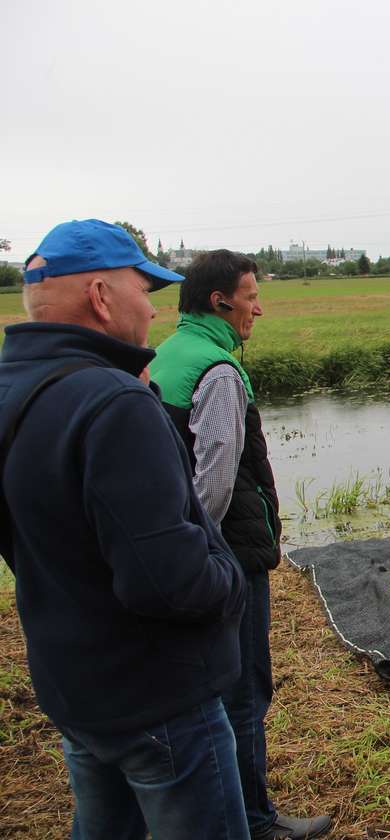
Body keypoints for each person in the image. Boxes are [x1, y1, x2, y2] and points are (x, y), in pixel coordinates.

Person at [0, 219, 249, 838]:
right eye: (146, 290)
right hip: (157, 694)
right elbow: (168, 582)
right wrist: (230, 580)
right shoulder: (113, 402)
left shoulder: (13, 386)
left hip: (73, 680)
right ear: (101, 297)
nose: (153, 310)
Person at [150, 250, 331, 840]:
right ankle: (254, 819)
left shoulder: (163, 356)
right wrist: (199, 553)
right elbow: (217, 477)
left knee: (200, 687)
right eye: (252, 296)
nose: (260, 308)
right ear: (219, 301)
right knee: (246, 688)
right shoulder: (218, 370)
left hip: (180, 548)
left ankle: (212, 808)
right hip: (227, 554)